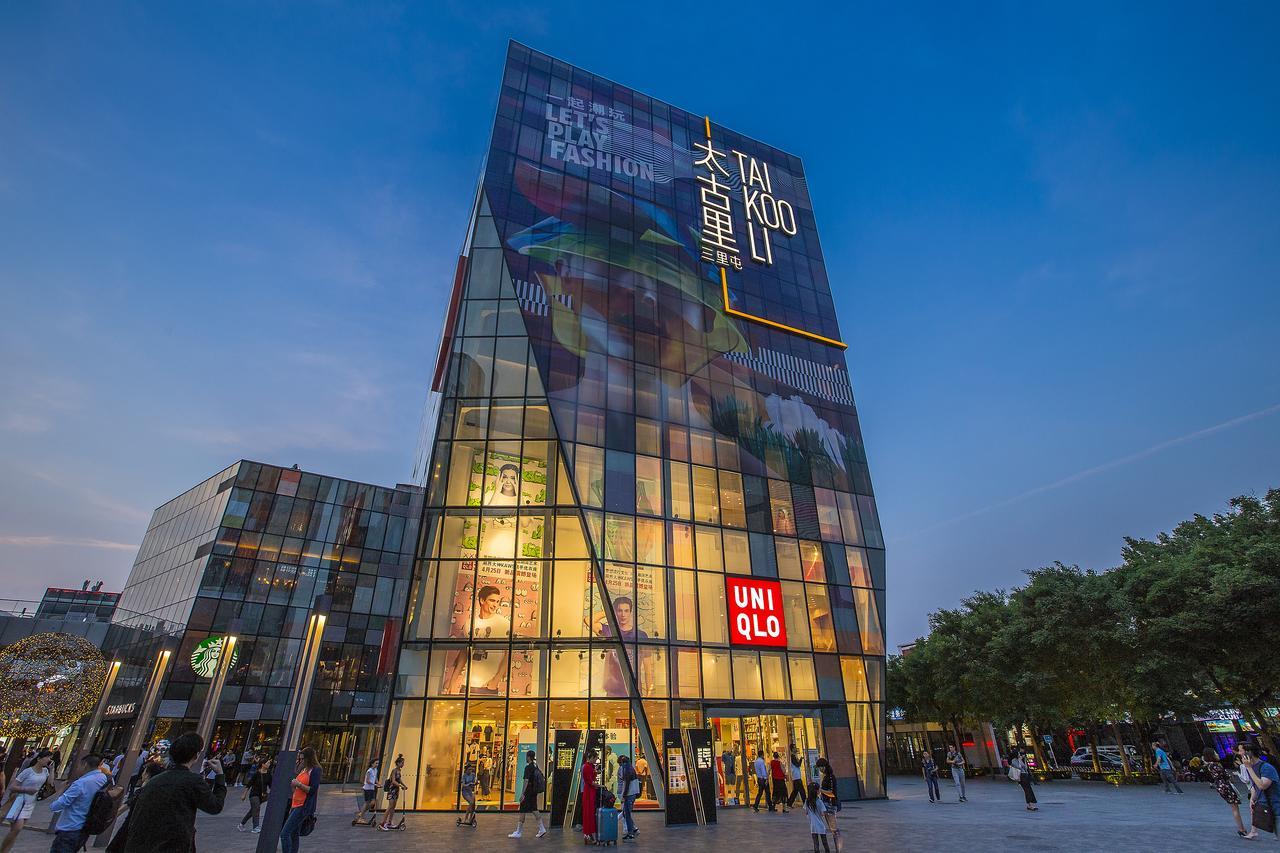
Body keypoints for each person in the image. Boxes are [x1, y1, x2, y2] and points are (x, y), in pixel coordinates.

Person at [117, 732, 225, 852]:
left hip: (141, 845)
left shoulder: (155, 780)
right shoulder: (193, 781)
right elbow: (215, 806)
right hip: (171, 845)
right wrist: (220, 775)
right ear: (196, 755)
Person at [48, 753, 113, 853]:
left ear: (85, 765)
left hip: (69, 829)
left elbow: (57, 805)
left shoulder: (80, 783)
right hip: (84, 828)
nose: (78, 768)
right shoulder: (103, 779)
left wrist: (61, 791)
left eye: (79, 765)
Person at [1, 749, 53, 853]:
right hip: (19, 800)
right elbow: (12, 786)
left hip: (31, 803)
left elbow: (50, 784)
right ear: (39, 759)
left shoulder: (45, 771)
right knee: (17, 828)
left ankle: (5, 849)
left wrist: (52, 770)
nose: (48, 760)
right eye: (46, 757)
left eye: (49, 757)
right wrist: (26, 789)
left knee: (15, 831)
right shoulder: (28, 771)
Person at [280, 747, 320, 853]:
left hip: (303, 805)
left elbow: (313, 789)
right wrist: (294, 786)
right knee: (294, 832)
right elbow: (297, 788)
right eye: (300, 759)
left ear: (309, 758)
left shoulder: (315, 770)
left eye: (303, 759)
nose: (301, 761)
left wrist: (299, 784)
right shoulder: (304, 769)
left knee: (285, 833)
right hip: (295, 803)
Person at [1202, 748, 1249, 838]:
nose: (1217, 754)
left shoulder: (1210, 765)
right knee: (1235, 807)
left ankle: (1241, 828)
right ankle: (1241, 829)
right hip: (1225, 786)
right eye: (1215, 753)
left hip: (1221, 786)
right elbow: (1225, 775)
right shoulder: (1214, 765)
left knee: (1234, 807)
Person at [1239, 742, 1278, 840]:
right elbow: (1254, 785)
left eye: (1241, 750)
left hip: (1276, 806)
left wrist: (1248, 768)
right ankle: (1253, 832)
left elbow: (1261, 785)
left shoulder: (1266, 767)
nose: (1239, 753)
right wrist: (1253, 797)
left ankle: (1253, 832)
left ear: (1249, 753)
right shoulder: (1251, 767)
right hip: (1266, 805)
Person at [509, 751, 547, 839]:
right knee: (534, 808)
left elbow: (526, 781)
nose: (526, 758)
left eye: (526, 756)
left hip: (528, 791)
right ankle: (542, 828)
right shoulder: (535, 766)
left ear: (528, 757)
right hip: (534, 791)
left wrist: (522, 793)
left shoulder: (528, 767)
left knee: (522, 809)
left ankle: (518, 832)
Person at [815, 757, 842, 853]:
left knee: (834, 830)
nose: (820, 770)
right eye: (819, 768)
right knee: (832, 829)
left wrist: (820, 790)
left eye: (821, 767)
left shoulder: (830, 777)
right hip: (826, 804)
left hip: (830, 805)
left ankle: (838, 850)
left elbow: (831, 792)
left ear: (824, 766)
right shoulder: (826, 776)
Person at [239, 758, 270, 833]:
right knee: (256, 808)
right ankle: (255, 827)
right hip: (254, 794)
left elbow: (271, 785)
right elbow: (249, 784)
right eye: (268, 763)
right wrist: (244, 794)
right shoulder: (256, 774)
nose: (269, 764)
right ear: (263, 764)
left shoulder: (269, 775)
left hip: (262, 795)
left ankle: (241, 824)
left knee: (253, 810)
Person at [380, 754, 407, 831]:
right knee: (390, 806)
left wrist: (404, 785)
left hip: (396, 790)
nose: (403, 764)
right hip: (392, 790)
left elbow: (399, 779)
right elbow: (393, 781)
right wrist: (400, 786)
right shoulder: (394, 770)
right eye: (402, 763)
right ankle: (382, 823)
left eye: (403, 763)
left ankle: (389, 822)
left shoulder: (399, 771)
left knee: (393, 807)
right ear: (398, 763)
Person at [802, 781, 830, 853]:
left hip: (813, 826)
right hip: (820, 825)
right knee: (825, 842)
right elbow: (823, 813)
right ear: (817, 791)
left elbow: (806, 812)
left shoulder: (807, 801)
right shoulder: (819, 801)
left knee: (816, 843)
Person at [618, 754, 640, 840]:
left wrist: (623, 795)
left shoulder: (626, 770)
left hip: (629, 794)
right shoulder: (631, 768)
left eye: (620, 764)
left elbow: (626, 784)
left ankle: (630, 833)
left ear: (623, 762)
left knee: (626, 814)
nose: (620, 766)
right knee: (626, 814)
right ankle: (633, 830)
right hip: (632, 794)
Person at [580, 749, 599, 844]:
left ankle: (588, 834)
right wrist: (599, 785)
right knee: (588, 813)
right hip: (588, 792)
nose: (596, 760)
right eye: (595, 758)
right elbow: (590, 781)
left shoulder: (589, 766)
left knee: (589, 813)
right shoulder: (587, 767)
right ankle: (588, 834)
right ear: (591, 757)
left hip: (590, 791)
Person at [355, 758, 379, 824]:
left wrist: (378, 783)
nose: (377, 765)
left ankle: (361, 813)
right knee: (367, 802)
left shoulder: (375, 770)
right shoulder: (369, 770)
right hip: (367, 788)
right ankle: (361, 817)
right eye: (376, 763)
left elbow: (375, 778)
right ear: (372, 764)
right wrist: (375, 784)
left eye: (378, 763)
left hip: (372, 789)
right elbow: (367, 780)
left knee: (373, 802)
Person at [458, 763, 478, 827]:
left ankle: (470, 819)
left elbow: (475, 781)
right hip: (465, 791)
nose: (470, 771)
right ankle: (466, 818)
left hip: (470, 791)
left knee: (472, 805)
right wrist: (469, 784)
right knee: (471, 802)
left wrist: (475, 783)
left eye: (471, 770)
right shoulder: (464, 776)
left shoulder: (473, 775)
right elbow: (463, 784)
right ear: (466, 770)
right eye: (469, 769)